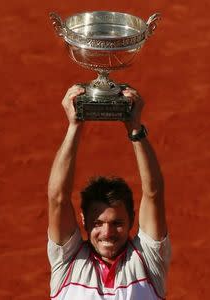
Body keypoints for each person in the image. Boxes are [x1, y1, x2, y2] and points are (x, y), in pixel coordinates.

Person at [47, 85, 171, 299]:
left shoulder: (146, 259)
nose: (107, 233)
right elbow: (58, 198)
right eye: (98, 224)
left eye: (117, 223)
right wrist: (74, 127)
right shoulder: (68, 260)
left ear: (132, 219)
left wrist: (135, 129)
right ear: (84, 220)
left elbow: (153, 193)